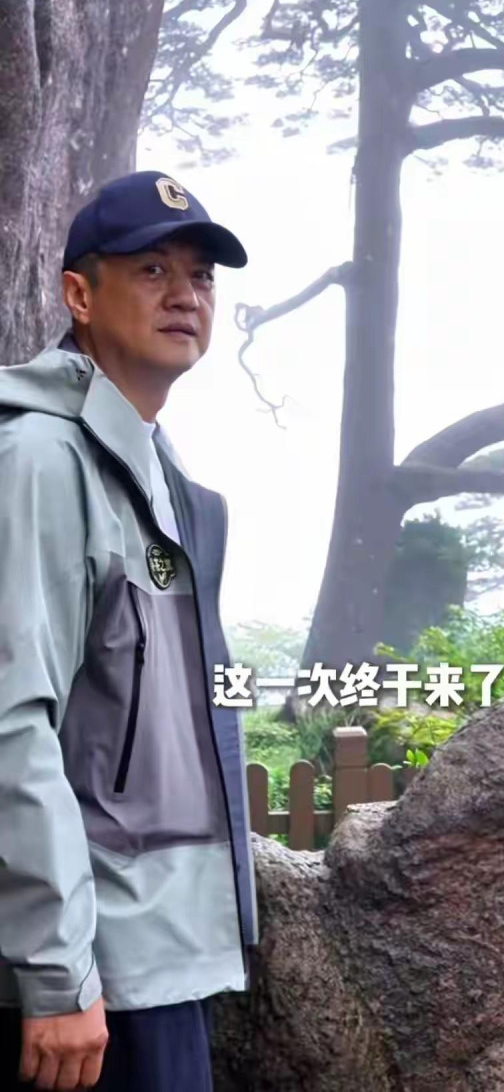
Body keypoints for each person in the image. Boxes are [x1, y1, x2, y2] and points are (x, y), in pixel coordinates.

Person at [0, 171, 258, 1091]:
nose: (185, 295)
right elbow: (12, 723)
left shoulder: (162, 476)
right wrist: (57, 973)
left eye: (201, 275)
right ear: (79, 294)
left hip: (161, 963)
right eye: (152, 269)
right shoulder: (39, 459)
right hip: (87, 982)